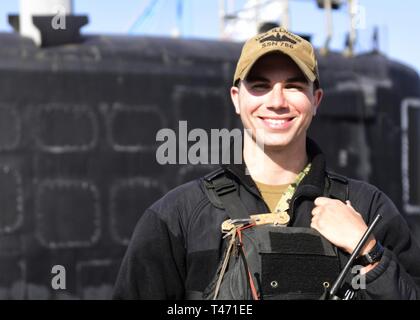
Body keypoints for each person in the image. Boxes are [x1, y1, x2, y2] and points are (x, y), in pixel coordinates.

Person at [113, 27, 420, 300]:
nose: (276, 101)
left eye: (294, 86)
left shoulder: (367, 208)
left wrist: (368, 252)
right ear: (236, 98)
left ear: (317, 100)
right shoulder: (177, 217)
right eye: (260, 86)